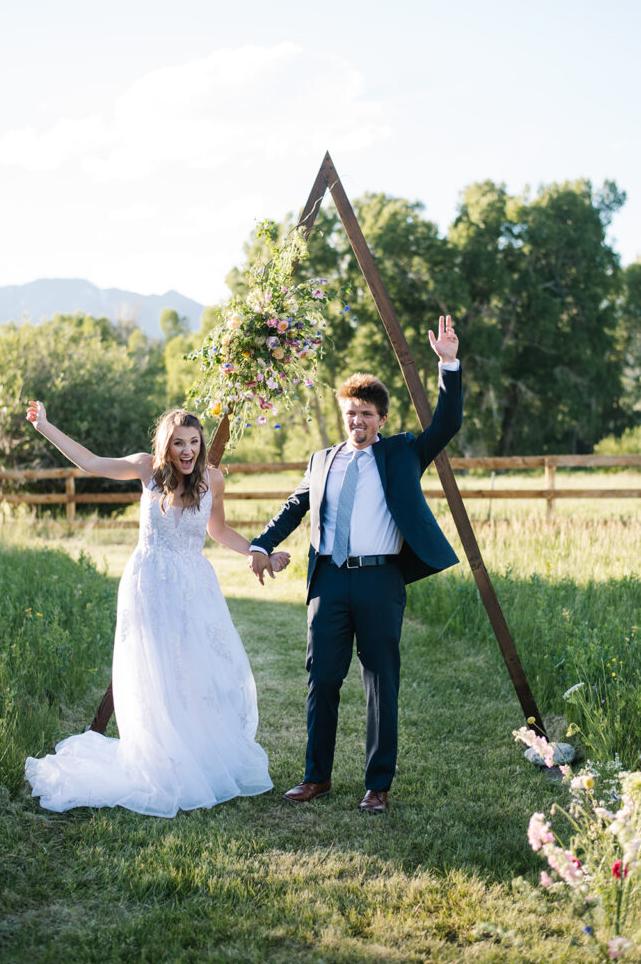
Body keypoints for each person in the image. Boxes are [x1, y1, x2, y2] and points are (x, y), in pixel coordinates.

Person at [24, 405, 288, 816]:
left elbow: (218, 530)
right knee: (152, 668)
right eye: (179, 443)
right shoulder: (146, 470)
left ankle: (193, 752)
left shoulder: (212, 479)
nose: (187, 451)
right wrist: (44, 426)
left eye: (194, 442)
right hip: (148, 582)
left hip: (194, 585)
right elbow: (91, 462)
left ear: (202, 445)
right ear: (166, 444)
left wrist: (261, 552)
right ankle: (158, 755)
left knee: (197, 668)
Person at [248, 316, 462, 813]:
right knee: (322, 678)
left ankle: (377, 784)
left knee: (380, 680)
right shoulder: (322, 459)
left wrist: (448, 364)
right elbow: (294, 507)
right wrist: (261, 543)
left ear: (381, 419)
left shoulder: (404, 452)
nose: (357, 422)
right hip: (328, 579)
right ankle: (315, 777)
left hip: (380, 580)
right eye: (350, 414)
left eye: (366, 414)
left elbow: (448, 423)